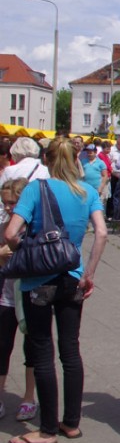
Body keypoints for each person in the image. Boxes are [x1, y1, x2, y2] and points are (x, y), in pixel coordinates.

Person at [5, 137, 107, 443]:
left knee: (41, 349)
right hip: (72, 278)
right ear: (77, 160)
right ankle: (71, 422)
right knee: (70, 350)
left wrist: (24, 249)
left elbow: (10, 232)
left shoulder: (36, 189)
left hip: (39, 281)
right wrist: (88, 273)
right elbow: (101, 232)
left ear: (47, 161)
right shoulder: (87, 191)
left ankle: (47, 428)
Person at [0, 178, 38, 423]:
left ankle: (28, 397)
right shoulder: (3, 227)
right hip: (5, 298)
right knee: (2, 347)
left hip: (31, 297)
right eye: (5, 203)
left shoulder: (35, 230)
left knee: (32, 350)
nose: (8, 208)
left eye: (12, 203)